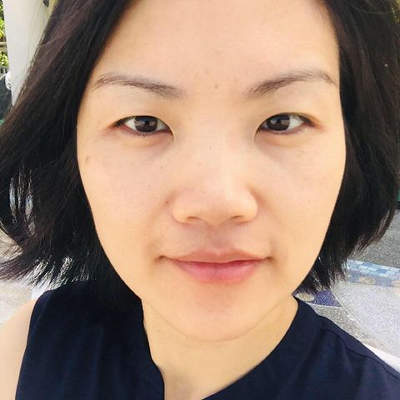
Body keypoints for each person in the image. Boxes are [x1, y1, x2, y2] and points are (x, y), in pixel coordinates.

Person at [0, 0, 399, 399]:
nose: (217, 203)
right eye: (145, 124)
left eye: (282, 122)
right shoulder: (24, 353)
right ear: (71, 150)